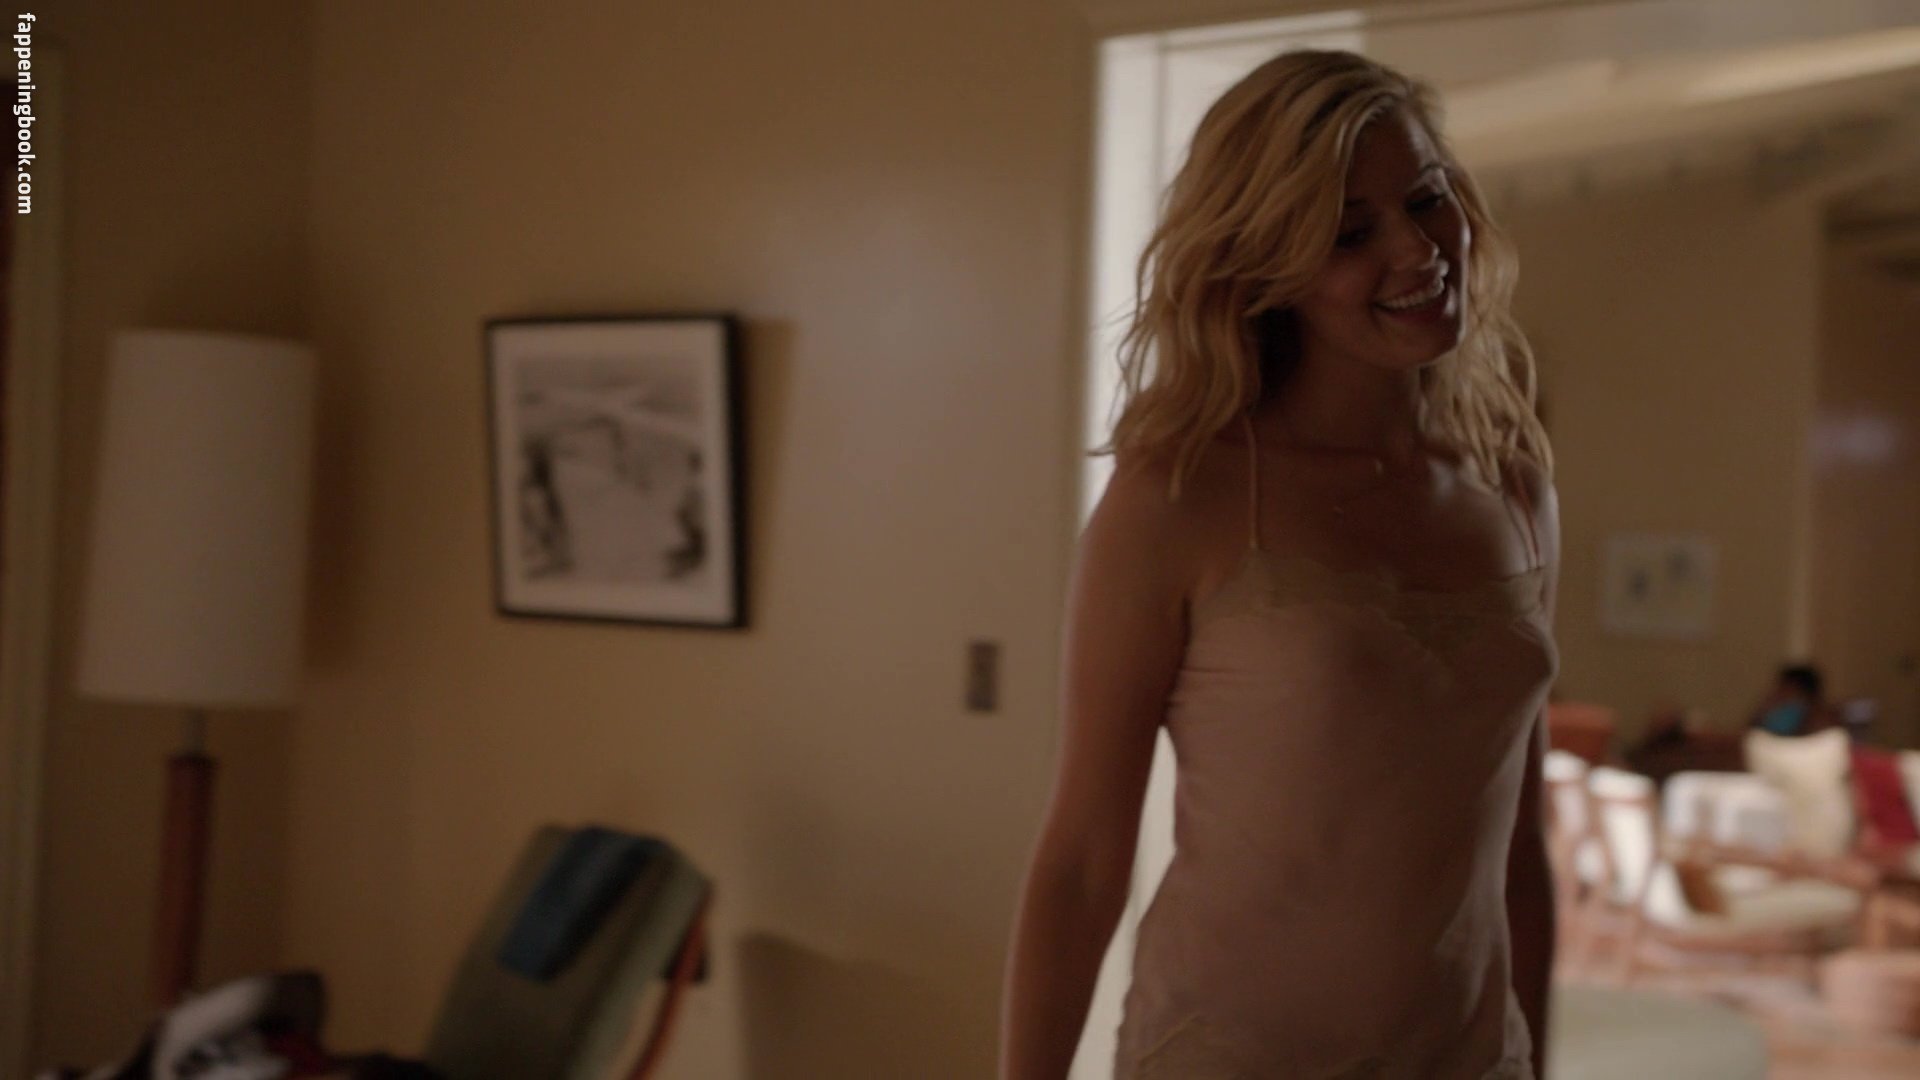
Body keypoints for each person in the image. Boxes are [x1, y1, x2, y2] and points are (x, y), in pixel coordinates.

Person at [1000, 50, 1559, 1080]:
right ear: (1267, 265)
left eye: (1426, 199)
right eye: (1350, 233)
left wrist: (1537, 1058)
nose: (1417, 249)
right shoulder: (1179, 497)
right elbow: (1082, 861)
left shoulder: (1513, 487)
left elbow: (1520, 838)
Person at [1746, 663, 1837, 738]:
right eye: (1780, 694)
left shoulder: (1826, 723)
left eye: (1787, 693)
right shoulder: (1771, 719)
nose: (1781, 700)